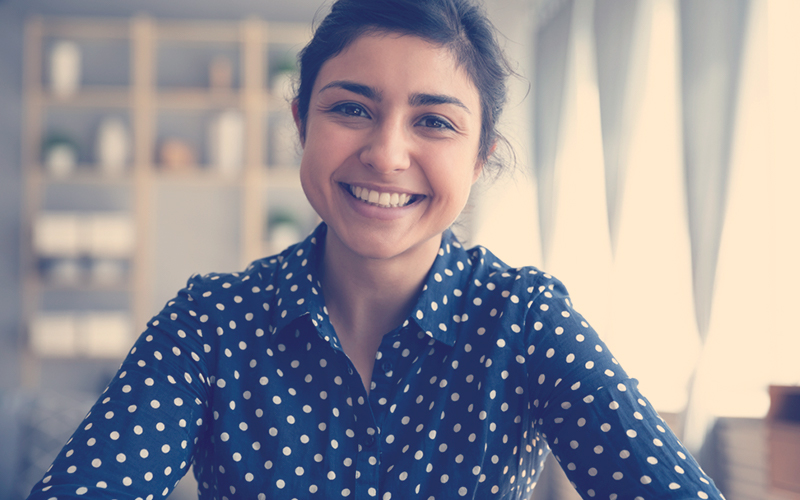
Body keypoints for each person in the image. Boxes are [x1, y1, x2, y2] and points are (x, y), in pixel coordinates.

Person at [27, 0, 725, 499]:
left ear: (481, 156)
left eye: (434, 121)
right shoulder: (212, 321)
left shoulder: (525, 319)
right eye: (351, 108)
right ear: (301, 121)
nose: (388, 154)